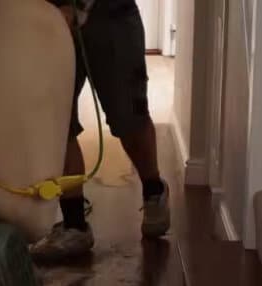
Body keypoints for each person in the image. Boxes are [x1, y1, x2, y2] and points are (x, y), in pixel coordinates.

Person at [30, 0, 171, 261]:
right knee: (58, 123)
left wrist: (80, 8)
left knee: (129, 118)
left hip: (111, 17)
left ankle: (154, 190)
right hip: (51, 16)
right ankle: (74, 226)